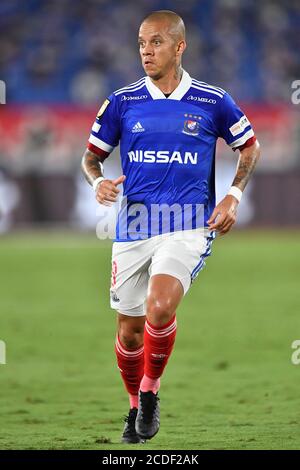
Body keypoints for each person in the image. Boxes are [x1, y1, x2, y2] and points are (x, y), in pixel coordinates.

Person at [81, 10, 260, 443]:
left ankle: (150, 392)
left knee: (160, 307)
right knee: (129, 328)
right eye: (142, 42)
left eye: (157, 42)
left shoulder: (211, 100)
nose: (146, 50)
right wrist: (99, 181)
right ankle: (132, 408)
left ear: (180, 47)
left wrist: (232, 196)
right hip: (134, 226)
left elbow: (249, 147)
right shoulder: (122, 101)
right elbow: (91, 158)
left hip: (188, 225)